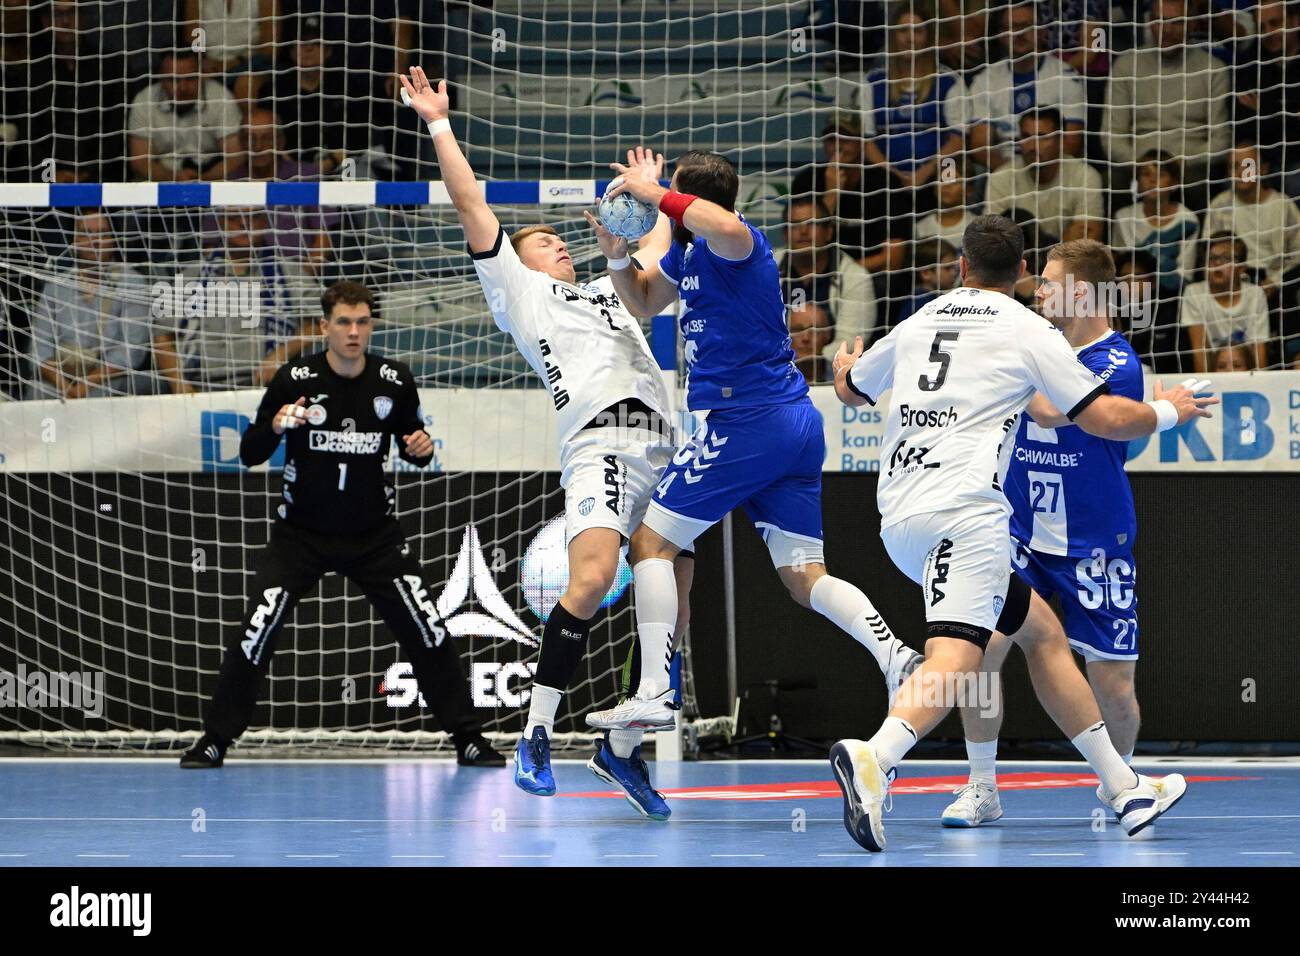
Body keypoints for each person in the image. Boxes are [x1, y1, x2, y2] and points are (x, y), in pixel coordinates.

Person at [828, 215, 1216, 852]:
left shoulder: (922, 318)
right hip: (968, 518)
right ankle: (877, 756)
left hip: (898, 516)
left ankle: (1123, 787)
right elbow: (1105, 417)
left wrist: (844, 367)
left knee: (1041, 632)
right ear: (1024, 274)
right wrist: (1172, 408)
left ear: (960, 268)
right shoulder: (1029, 331)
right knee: (957, 659)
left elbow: (851, 390)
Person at [400, 67, 690, 819]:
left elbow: (652, 255)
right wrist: (437, 123)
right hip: (598, 444)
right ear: (517, 264)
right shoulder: (520, 294)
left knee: (674, 578)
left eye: (564, 239)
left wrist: (653, 191)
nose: (559, 245)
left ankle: (622, 748)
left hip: (664, 442)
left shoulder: (613, 292)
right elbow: (472, 204)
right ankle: (535, 734)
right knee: (592, 578)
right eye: (546, 241)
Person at [581, 148, 921, 755]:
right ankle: (896, 657)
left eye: (675, 196)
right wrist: (615, 253)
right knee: (803, 577)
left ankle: (656, 693)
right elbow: (640, 299)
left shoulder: (742, 245)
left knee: (651, 545)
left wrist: (653, 192)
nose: (665, 204)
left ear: (692, 200)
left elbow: (726, 226)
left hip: (747, 421)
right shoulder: (688, 253)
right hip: (786, 423)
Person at [181, 280, 503, 769]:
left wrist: (424, 449)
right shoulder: (295, 378)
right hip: (300, 537)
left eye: (363, 322)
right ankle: (215, 740)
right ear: (326, 326)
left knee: (428, 629)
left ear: (371, 324)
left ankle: (468, 738)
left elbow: (415, 447)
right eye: (344, 323)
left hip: (374, 537)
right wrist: (275, 425)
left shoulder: (393, 381)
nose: (354, 332)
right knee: (256, 631)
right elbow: (249, 454)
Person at [938, 239, 1183, 827]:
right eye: (1038, 280)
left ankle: (1119, 781)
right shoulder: (1033, 341)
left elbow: (1050, 409)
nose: (1038, 291)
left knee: (1114, 688)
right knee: (981, 654)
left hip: (1094, 545)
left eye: (1050, 282)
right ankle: (981, 786)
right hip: (1019, 537)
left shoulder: (1117, 361)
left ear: (1084, 292)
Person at [153, 207, 317, 392]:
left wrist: (282, 353)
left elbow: (323, 322)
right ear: (220, 222)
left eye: (252, 216)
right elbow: (161, 336)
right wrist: (180, 385)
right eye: (233, 217)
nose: (243, 224)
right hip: (201, 387)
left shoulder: (289, 273)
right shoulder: (191, 277)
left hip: (266, 386)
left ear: (265, 221)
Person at [1103, 0, 1232, 207]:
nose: (1167, 30)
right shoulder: (1125, 66)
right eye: (1160, 21)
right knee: (1113, 182)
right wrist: (1140, 164)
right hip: (1138, 162)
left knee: (1197, 184)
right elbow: (1111, 136)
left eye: (1177, 22)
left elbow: (1221, 140)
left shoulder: (1213, 69)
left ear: (1192, 25)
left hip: (1190, 164)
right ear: (1150, 22)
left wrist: (1182, 163)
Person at [28, 212, 154, 400]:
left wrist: (86, 384)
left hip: (110, 378)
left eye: (102, 233)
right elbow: (39, 347)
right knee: (37, 391)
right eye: (86, 233)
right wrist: (64, 386)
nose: (94, 240)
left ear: (113, 240)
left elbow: (131, 351)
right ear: (75, 241)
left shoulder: (133, 283)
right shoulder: (55, 286)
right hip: (61, 377)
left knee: (98, 396)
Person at [964, 0, 1088, 171]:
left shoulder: (1067, 77)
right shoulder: (984, 80)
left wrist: (1039, 175)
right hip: (1004, 171)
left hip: (1052, 171)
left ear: (1042, 32)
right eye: (1012, 27)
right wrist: (1013, 177)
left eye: (1026, 26)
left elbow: (1072, 143)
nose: (1020, 33)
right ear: (1000, 34)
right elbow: (980, 146)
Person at [778, 193, 879, 367]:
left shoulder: (856, 277)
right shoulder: (766, 269)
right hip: (777, 369)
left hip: (833, 374)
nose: (803, 231)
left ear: (828, 232)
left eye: (812, 223)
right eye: (795, 225)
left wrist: (805, 361)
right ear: (785, 234)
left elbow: (849, 342)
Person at [983, 108, 1105, 244]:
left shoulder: (1085, 176)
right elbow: (992, 240)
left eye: (1042, 136)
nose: (1033, 146)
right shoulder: (1001, 177)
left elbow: (1087, 241)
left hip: (1067, 263)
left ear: (1061, 140)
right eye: (1026, 136)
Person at [126, 49, 244, 182]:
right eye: (173, 80)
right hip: (160, 180)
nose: (182, 88)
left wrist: (200, 181)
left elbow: (235, 158)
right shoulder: (144, 100)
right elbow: (140, 162)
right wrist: (173, 178)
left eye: (190, 79)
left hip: (211, 178)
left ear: (201, 76)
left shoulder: (221, 98)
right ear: (161, 79)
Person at [1111, 150, 1201, 298]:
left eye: (1161, 175)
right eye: (1146, 174)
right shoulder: (1123, 217)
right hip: (1131, 293)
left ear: (1174, 183)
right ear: (1137, 183)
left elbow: (1185, 273)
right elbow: (1122, 266)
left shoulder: (1189, 220)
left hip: (1172, 294)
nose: (1153, 180)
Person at [1181, 231, 1271, 372]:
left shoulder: (1255, 295)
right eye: (1212, 258)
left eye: (1227, 258)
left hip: (1246, 371)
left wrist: (1259, 384)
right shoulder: (1194, 293)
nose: (1217, 264)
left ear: (1242, 268)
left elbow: (1258, 348)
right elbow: (1200, 351)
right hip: (1215, 369)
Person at [896, 238, 960, 324]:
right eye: (947, 268)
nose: (954, 273)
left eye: (954, 267)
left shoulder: (936, 298)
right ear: (926, 273)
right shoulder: (918, 304)